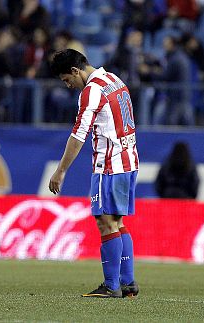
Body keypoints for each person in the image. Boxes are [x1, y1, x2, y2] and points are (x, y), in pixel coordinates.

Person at [47, 49, 140, 298]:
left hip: (109, 164)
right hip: (129, 160)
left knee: (105, 222)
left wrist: (61, 170)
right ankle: (127, 282)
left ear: (76, 71)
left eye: (68, 80)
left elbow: (79, 134)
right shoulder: (114, 80)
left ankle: (112, 286)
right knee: (117, 222)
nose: (69, 86)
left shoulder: (92, 91)